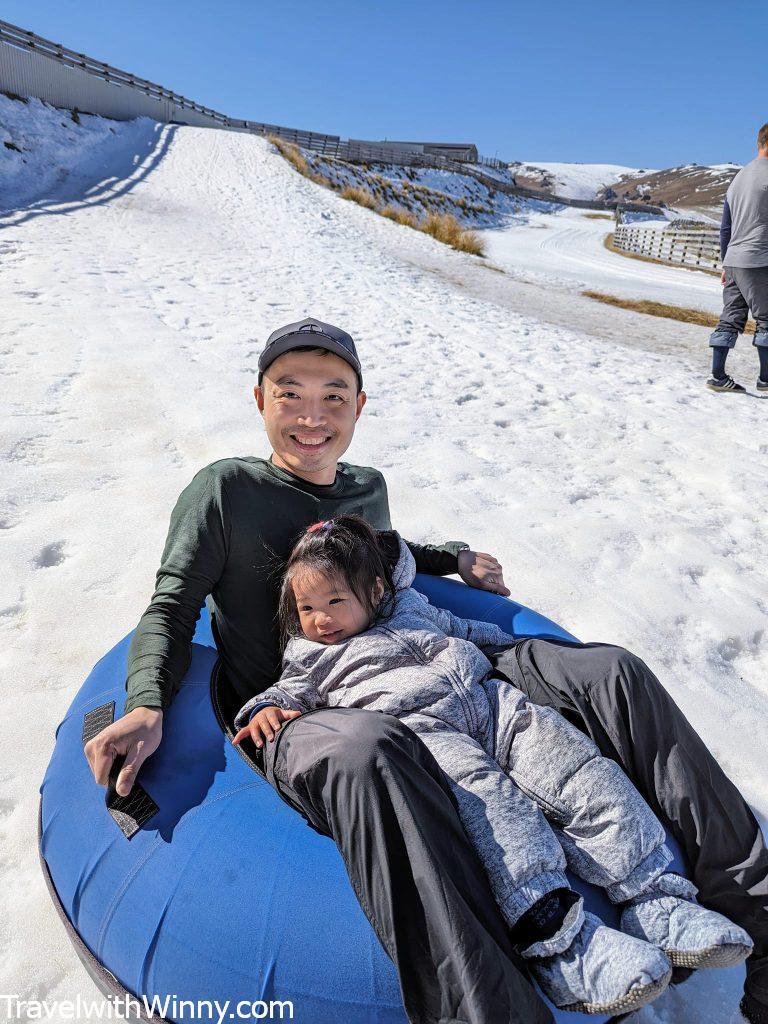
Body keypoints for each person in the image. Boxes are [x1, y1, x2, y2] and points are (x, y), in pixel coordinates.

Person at [83, 316, 768, 1024]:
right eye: (290, 395)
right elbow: (170, 605)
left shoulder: (365, 487)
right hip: (301, 707)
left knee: (611, 672)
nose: (312, 416)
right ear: (259, 400)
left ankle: (750, 918)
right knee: (370, 751)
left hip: (423, 665)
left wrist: (454, 559)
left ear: (360, 406)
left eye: (334, 396)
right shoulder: (225, 490)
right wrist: (145, 703)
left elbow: (386, 549)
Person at [232, 514, 752, 1016]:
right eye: (305, 608)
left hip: (492, 705)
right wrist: (266, 709)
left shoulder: (412, 609)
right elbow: (287, 691)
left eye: (334, 601)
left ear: (375, 591)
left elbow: (469, 629)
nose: (319, 619)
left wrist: (531, 651)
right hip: (425, 735)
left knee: (581, 773)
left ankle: (658, 900)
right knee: (498, 816)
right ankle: (564, 948)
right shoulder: (311, 657)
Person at [707, 122, 768, 394]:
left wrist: (725, 262)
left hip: (734, 259)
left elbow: (725, 228)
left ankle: (718, 375)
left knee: (731, 317)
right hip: (760, 257)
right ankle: (766, 379)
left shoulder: (739, 177)